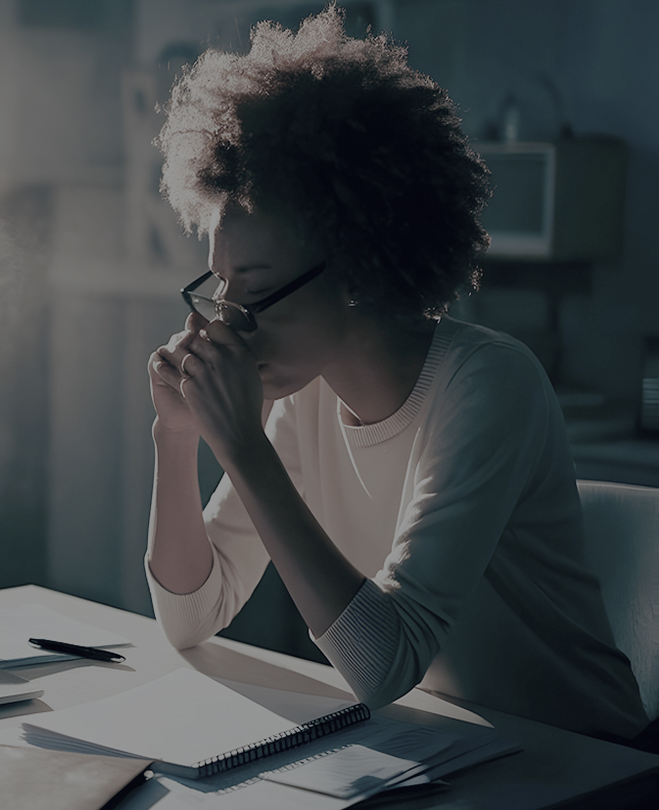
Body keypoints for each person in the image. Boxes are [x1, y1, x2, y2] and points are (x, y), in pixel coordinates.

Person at [145, 5, 649, 742]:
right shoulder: (303, 398)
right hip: (447, 748)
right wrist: (177, 436)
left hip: (585, 762)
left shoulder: (488, 386)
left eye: (251, 289)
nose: (223, 320)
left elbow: (386, 662)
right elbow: (191, 619)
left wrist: (244, 449)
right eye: (219, 286)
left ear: (354, 269)